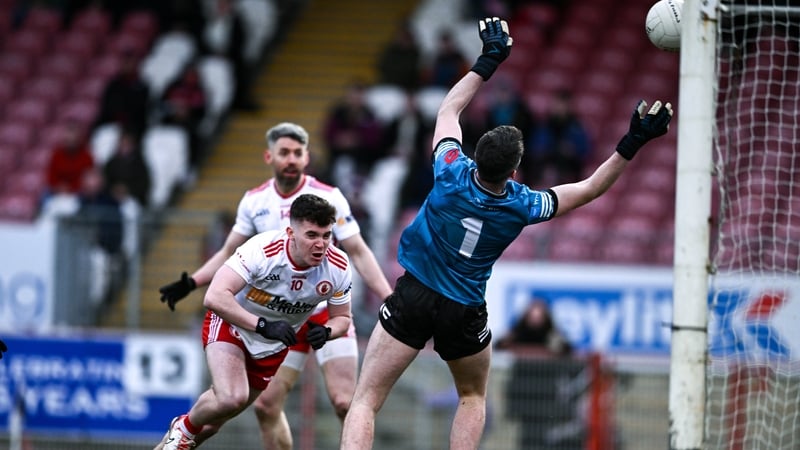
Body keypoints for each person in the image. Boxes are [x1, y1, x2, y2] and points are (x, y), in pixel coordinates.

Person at [340, 17, 672, 449]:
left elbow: (448, 111)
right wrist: (632, 142)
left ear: (475, 156)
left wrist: (489, 59)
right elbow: (589, 189)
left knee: (366, 400)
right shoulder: (523, 205)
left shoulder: (449, 172)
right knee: (473, 397)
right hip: (464, 308)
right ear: (514, 170)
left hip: (416, 293)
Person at [158, 122, 393, 449]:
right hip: (277, 314)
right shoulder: (255, 202)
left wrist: (389, 298)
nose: (292, 159)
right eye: (285, 152)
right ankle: (182, 435)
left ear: (307, 157)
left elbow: (358, 251)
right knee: (262, 405)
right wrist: (192, 282)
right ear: (270, 156)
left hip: (322, 309)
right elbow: (229, 254)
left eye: (298, 153)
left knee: (344, 402)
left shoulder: (329, 200)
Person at [154, 194, 354, 450]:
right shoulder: (263, 250)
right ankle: (183, 426)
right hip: (232, 325)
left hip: (272, 347)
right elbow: (215, 297)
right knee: (231, 398)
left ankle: (177, 439)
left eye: (326, 236)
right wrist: (262, 325)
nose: (321, 244)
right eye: (312, 235)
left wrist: (327, 332)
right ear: (291, 232)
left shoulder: (337, 266)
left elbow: (343, 319)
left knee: (213, 424)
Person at [526, 89, 592, 186]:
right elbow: (535, 146)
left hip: (568, 164)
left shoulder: (576, 127)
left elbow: (585, 150)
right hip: (546, 161)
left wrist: (572, 150)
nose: (559, 107)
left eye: (562, 104)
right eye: (557, 103)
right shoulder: (544, 124)